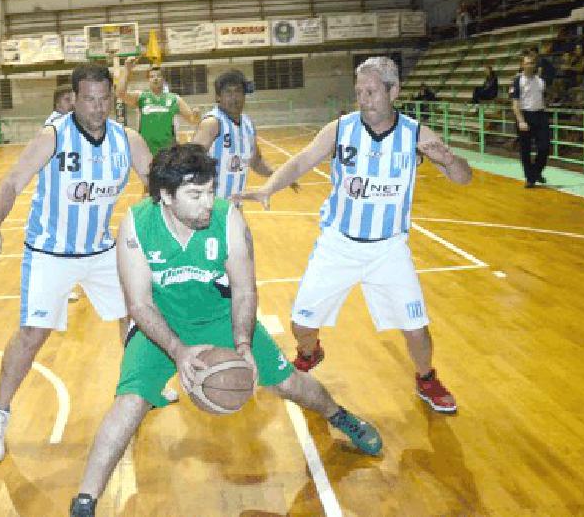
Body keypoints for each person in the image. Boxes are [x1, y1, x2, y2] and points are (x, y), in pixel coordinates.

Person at [68, 143, 383, 516]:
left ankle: (339, 415)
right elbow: (139, 304)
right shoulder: (136, 226)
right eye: (195, 194)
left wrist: (244, 343)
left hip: (220, 317)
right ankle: (85, 501)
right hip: (161, 324)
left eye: (210, 190)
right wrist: (178, 351)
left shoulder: (227, 218)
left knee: (289, 382)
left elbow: (245, 289)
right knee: (130, 402)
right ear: (166, 197)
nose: (207, 202)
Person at [241, 57, 472, 414]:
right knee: (301, 323)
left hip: (389, 248)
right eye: (359, 92)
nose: (364, 99)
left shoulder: (415, 134)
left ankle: (426, 378)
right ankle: (309, 352)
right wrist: (269, 187)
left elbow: (462, 179)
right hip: (339, 243)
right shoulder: (341, 128)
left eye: (372, 91)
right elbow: (303, 160)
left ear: (394, 91)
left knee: (416, 330)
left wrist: (451, 160)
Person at [0, 64, 153, 463]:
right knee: (32, 335)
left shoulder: (129, 141)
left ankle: (136, 394)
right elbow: (10, 183)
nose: (97, 107)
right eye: (88, 99)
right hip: (50, 253)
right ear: (73, 99)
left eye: (104, 98)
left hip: (101, 251)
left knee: (139, 316)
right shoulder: (52, 137)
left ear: (113, 96)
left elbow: (157, 183)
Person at [191, 69, 298, 198]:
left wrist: (280, 175)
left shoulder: (248, 124)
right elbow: (190, 161)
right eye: (228, 92)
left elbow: (256, 162)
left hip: (234, 204)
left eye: (238, 91)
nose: (234, 97)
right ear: (218, 97)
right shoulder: (212, 123)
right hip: (211, 205)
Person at [116, 57, 201, 156]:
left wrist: (196, 115)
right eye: (152, 76)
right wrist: (127, 69)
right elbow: (120, 93)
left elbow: (193, 120)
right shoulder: (141, 97)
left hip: (168, 151)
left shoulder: (174, 99)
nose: (155, 78)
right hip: (146, 150)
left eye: (158, 76)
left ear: (163, 79)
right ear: (148, 80)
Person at [45, 84, 82, 303]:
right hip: (58, 195)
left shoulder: (63, 123)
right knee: (61, 245)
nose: (73, 104)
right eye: (69, 100)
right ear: (59, 103)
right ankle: (60, 289)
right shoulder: (55, 125)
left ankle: (63, 285)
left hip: (67, 193)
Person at [510, 54, 550, 188]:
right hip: (525, 115)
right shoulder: (517, 81)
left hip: (540, 115)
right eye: (527, 63)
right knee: (525, 150)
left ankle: (536, 172)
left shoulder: (540, 81)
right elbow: (515, 104)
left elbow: (543, 98)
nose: (530, 65)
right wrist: (521, 120)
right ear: (522, 65)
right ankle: (530, 178)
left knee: (544, 147)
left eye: (532, 63)